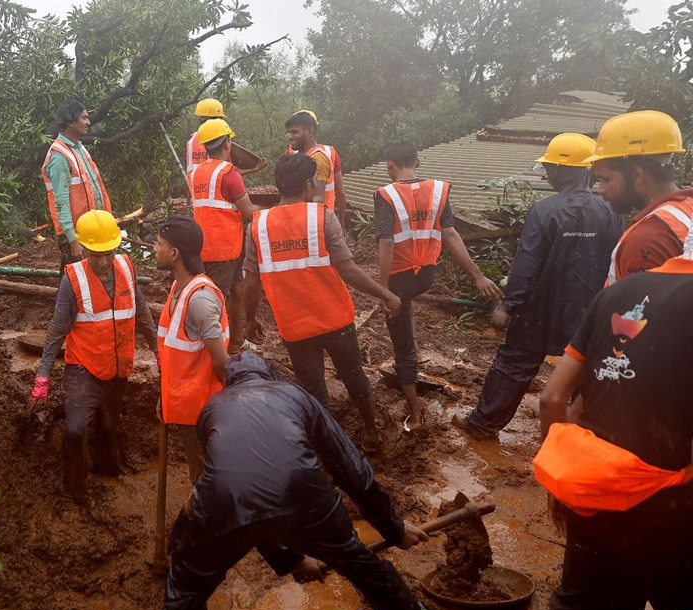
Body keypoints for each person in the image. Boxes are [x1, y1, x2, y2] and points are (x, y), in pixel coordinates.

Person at [161, 352, 432, 610]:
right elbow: (351, 470)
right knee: (362, 565)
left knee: (184, 595)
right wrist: (394, 529)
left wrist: (290, 560)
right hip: (304, 496)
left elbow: (250, 497)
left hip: (219, 504)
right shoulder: (296, 395)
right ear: (272, 376)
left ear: (228, 383)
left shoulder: (213, 407)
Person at [502, 232, 693, 610]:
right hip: (669, 506)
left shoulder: (618, 292)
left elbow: (552, 398)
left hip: (594, 488)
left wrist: (562, 479)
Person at [456, 134, 622, 440]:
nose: (548, 173)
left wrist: (509, 305)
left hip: (539, 310)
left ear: (567, 170)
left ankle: (483, 424)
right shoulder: (611, 213)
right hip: (590, 311)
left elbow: (526, 264)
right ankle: (580, 438)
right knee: (585, 374)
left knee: (514, 364)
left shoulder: (544, 211)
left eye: (552, 167)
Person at [242, 153, 400, 453]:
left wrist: (250, 320)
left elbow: (251, 281)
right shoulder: (322, 217)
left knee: (313, 391)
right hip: (335, 319)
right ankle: (370, 432)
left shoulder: (257, 225)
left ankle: (328, 450)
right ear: (307, 183)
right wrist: (386, 294)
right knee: (354, 376)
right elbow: (349, 270)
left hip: (295, 327)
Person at [370, 141, 502, 431]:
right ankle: (412, 356)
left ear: (389, 166)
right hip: (426, 276)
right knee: (406, 311)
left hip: (400, 279)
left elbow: (387, 241)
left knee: (400, 341)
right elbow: (451, 234)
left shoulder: (385, 194)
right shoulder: (438, 191)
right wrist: (478, 276)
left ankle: (415, 415)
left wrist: (383, 290)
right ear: (417, 162)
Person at [30, 210, 158, 501]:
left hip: (118, 367)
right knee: (75, 431)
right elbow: (56, 330)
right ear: (84, 249)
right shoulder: (73, 280)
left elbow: (144, 316)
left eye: (108, 253)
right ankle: (75, 489)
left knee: (109, 425)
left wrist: (158, 352)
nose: (103, 261)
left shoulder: (126, 268)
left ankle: (108, 471)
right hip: (83, 369)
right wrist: (43, 376)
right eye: (96, 254)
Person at [153, 216, 229, 483]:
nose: (154, 248)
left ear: (174, 253)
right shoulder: (178, 287)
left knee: (209, 476)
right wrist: (166, 396)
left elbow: (222, 363)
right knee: (199, 471)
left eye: (158, 243)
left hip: (202, 409)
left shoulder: (200, 300)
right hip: (186, 405)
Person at [589, 110, 689, 285]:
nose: (601, 189)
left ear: (637, 174)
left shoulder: (647, 239)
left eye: (606, 179)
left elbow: (636, 311)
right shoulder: (687, 208)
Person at [191, 119, 256, 353]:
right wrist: (278, 212)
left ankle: (236, 341)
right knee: (214, 301)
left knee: (237, 289)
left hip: (204, 245)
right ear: (228, 143)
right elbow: (249, 212)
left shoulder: (198, 173)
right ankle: (214, 351)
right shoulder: (229, 174)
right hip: (224, 248)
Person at [42, 99, 111, 267]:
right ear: (70, 122)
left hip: (91, 230)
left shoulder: (79, 148)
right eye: (84, 118)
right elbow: (61, 202)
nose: (88, 122)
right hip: (77, 236)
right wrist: (73, 241)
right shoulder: (59, 156)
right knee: (76, 284)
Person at [184, 98, 266, 196]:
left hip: (198, 195)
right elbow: (227, 174)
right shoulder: (219, 141)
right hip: (218, 196)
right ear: (219, 119)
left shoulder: (191, 141)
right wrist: (254, 168)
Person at [284, 109, 347, 226]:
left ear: (309, 131)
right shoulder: (330, 152)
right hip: (310, 221)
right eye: (289, 132)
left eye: (295, 132)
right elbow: (340, 192)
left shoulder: (317, 159)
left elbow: (317, 201)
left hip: (313, 223)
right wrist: (340, 219)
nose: (289, 136)